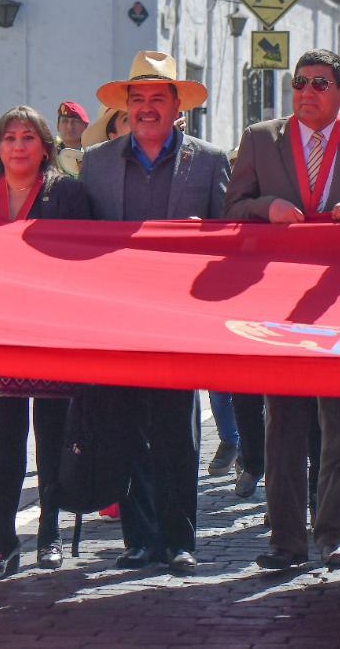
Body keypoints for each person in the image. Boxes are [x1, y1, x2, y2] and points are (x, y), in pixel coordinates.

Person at [226, 49, 340, 571]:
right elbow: (231, 209)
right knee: (282, 423)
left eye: (320, 83)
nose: (307, 91)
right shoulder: (261, 139)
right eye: (300, 82)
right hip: (281, 304)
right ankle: (285, 540)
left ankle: (334, 533)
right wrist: (266, 208)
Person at [78, 51, 230, 575]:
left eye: (157, 98)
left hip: (179, 317)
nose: (147, 107)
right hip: (117, 317)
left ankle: (179, 538)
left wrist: (204, 236)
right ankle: (139, 538)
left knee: (177, 431)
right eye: (137, 98)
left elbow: (231, 235)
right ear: (126, 106)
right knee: (125, 430)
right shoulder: (96, 162)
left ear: (176, 107)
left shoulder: (209, 161)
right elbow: (79, 238)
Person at [0, 105, 92, 577]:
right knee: (6, 438)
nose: (18, 146)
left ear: (45, 147)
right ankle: (3, 539)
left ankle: (49, 533)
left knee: (52, 435)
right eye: (10, 138)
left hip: (52, 329)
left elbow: (85, 259)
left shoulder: (68, 193)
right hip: (1, 330)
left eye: (28, 138)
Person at [55, 100, 90, 177]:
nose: (70, 126)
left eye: (75, 121)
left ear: (85, 126)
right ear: (57, 126)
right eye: (65, 121)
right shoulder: (50, 157)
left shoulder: (93, 155)